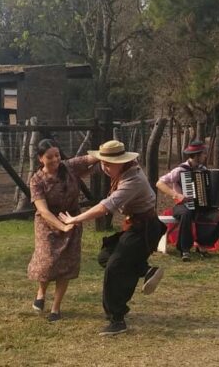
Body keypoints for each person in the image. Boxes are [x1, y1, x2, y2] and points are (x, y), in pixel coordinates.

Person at [58, 140, 166, 336]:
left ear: (122, 161)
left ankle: (117, 319)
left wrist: (75, 219)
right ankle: (146, 269)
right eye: (103, 163)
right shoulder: (119, 168)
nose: (105, 168)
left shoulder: (133, 181)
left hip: (145, 229)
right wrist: (62, 168)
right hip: (135, 226)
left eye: (109, 164)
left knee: (115, 268)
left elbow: (104, 207)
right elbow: (87, 166)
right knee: (105, 257)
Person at [27, 138, 99, 322]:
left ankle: (56, 308)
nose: (55, 160)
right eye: (49, 157)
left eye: (57, 155)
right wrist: (62, 226)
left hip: (72, 218)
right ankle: (41, 292)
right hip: (47, 223)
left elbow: (91, 158)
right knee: (47, 263)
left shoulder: (68, 167)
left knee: (66, 265)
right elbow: (42, 210)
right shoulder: (36, 180)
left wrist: (109, 153)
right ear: (40, 159)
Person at [156, 140, 214, 261]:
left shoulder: (203, 169)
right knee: (186, 213)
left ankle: (202, 245)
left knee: (215, 214)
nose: (205, 156)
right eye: (203, 154)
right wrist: (176, 195)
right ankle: (185, 249)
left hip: (199, 205)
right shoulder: (180, 170)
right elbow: (159, 183)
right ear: (197, 155)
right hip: (181, 205)